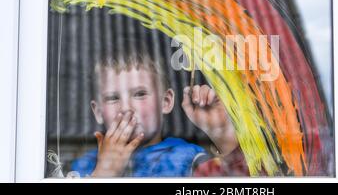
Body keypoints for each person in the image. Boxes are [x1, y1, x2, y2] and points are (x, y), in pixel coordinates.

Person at [71, 41, 242, 177]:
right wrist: (103, 174)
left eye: (139, 94)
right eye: (112, 98)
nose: (125, 108)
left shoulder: (188, 158)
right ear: (98, 112)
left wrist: (221, 133)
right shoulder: (85, 166)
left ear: (166, 102)